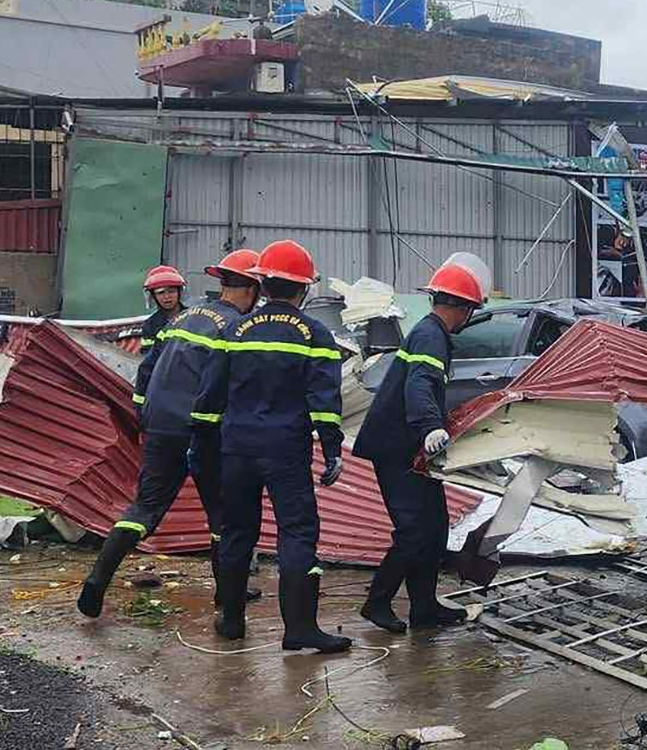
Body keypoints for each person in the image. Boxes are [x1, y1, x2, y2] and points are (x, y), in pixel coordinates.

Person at [78, 250, 260, 618]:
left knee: (144, 508)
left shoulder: (184, 318)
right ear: (253, 289)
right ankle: (226, 596)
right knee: (221, 513)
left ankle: (96, 583)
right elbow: (228, 385)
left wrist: (144, 412)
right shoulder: (235, 328)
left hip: (161, 426)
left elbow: (147, 370)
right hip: (202, 428)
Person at [196, 240, 349, 652]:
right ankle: (299, 628)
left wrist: (205, 444)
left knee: (235, 533)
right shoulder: (316, 334)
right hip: (285, 450)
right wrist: (333, 450)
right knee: (296, 534)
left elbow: (210, 396)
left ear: (262, 285)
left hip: (237, 449)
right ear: (303, 290)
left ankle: (230, 620)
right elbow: (324, 402)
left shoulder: (233, 331)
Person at [355, 252, 491, 634]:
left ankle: (425, 607)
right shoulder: (431, 336)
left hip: (408, 448)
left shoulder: (430, 332)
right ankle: (377, 602)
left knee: (434, 526)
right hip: (397, 449)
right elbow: (420, 385)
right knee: (415, 530)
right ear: (462, 308)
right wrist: (430, 427)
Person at [133, 266, 187, 416]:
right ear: (153, 297)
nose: (167, 297)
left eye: (171, 291)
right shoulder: (150, 325)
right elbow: (148, 362)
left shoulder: (193, 317)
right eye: (161, 293)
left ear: (179, 292)